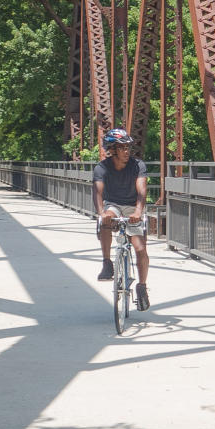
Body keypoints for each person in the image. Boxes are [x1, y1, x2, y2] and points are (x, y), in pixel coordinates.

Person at [93, 127, 151, 310]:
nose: (127, 151)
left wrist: (138, 212)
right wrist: (102, 212)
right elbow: (98, 192)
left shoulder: (138, 165)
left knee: (140, 248)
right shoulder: (102, 168)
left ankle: (142, 287)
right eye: (122, 148)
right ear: (112, 149)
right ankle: (107, 262)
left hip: (133, 207)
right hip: (114, 205)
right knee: (106, 219)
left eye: (128, 147)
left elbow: (142, 191)